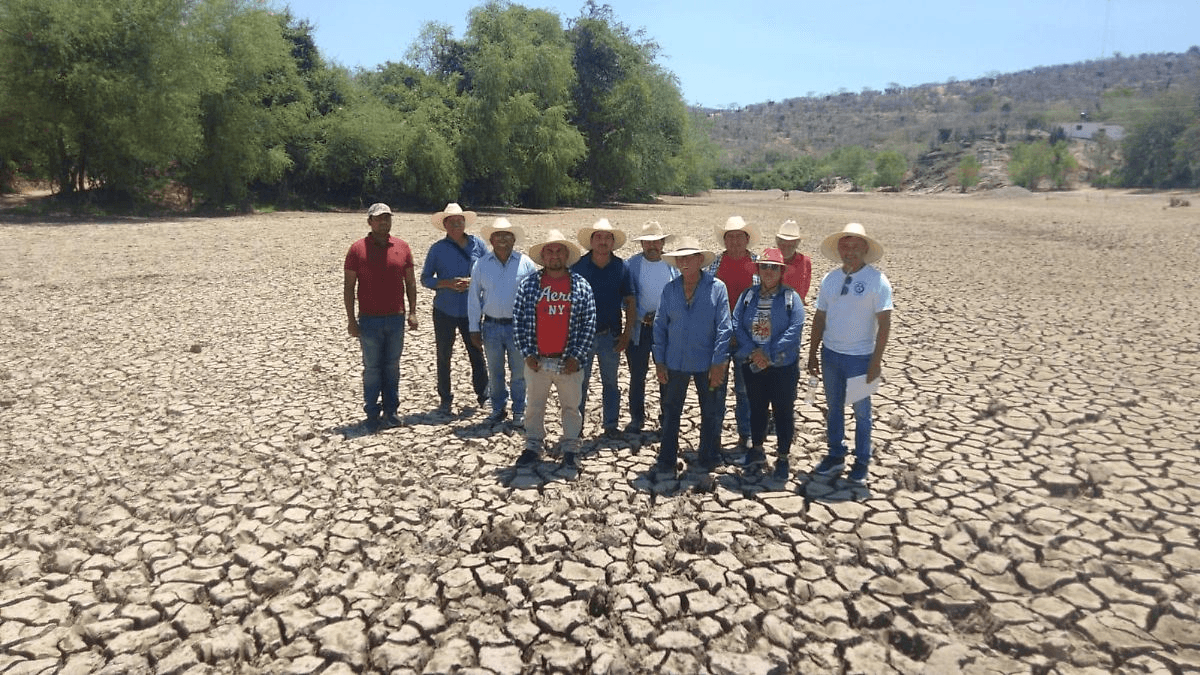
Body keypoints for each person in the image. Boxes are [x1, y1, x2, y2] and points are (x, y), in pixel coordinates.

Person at [807, 223, 893, 486]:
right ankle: (836, 454)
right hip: (831, 355)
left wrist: (876, 362)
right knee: (834, 408)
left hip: (860, 358)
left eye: (855, 246)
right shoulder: (830, 279)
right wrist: (812, 353)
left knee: (861, 412)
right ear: (839, 250)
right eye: (845, 246)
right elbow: (820, 318)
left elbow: (885, 325)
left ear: (865, 249)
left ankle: (862, 460)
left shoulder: (877, 281)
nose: (850, 251)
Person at [513, 230, 597, 469]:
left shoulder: (580, 285)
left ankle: (571, 447)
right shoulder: (529, 285)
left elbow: (589, 323)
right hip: (537, 361)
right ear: (543, 256)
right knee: (534, 407)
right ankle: (533, 446)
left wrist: (577, 357)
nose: (554, 255)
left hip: (568, 361)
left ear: (567, 255)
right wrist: (527, 353)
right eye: (549, 251)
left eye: (559, 250)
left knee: (571, 408)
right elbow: (518, 320)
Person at [653, 236, 732, 476]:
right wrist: (659, 360)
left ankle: (708, 456)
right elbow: (660, 326)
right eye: (680, 258)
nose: (685, 262)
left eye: (689, 257)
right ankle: (667, 457)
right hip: (675, 362)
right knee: (671, 411)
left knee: (710, 410)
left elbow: (724, 327)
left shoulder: (717, 288)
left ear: (700, 260)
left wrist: (719, 362)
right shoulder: (670, 289)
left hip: (707, 363)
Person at [343, 203, 419, 432]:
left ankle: (392, 411)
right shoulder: (357, 249)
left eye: (387, 218)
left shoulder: (402, 247)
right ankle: (372, 413)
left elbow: (411, 282)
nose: (383, 223)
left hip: (396, 317)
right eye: (379, 219)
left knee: (392, 366)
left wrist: (413, 311)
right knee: (373, 368)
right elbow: (349, 287)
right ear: (370, 222)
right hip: (369, 319)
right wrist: (351, 321)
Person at [732, 248, 806, 480]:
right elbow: (736, 323)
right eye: (765, 266)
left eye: (774, 267)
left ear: (782, 271)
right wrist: (754, 352)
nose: (769, 271)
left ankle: (782, 457)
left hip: (782, 366)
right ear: (758, 269)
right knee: (757, 407)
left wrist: (768, 352)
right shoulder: (748, 296)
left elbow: (795, 329)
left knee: (783, 410)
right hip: (753, 363)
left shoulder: (790, 298)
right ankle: (757, 449)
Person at [468, 218, 538, 427]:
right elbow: (474, 298)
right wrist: (474, 328)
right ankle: (498, 408)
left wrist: (532, 329)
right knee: (495, 371)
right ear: (491, 239)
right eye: (497, 235)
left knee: (519, 373)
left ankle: (519, 410)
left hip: (518, 327)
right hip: (490, 326)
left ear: (514, 239)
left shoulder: (525, 263)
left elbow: (534, 297)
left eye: (506, 235)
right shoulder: (481, 264)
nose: (502, 239)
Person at [421, 202, 489, 415]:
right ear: (445, 224)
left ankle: (483, 395)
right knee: (444, 355)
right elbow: (425, 279)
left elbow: (488, 273)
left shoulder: (478, 245)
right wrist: (447, 283)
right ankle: (445, 398)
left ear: (465, 223)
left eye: (460, 221)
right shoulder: (437, 249)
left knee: (476, 352)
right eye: (452, 221)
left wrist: (473, 282)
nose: (457, 224)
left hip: (471, 309)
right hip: (444, 310)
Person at [571, 219, 635, 437]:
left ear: (613, 242)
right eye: (598, 237)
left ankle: (610, 425)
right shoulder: (578, 266)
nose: (603, 241)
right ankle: (575, 427)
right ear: (591, 241)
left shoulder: (621, 267)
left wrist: (627, 334)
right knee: (580, 383)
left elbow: (630, 301)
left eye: (607, 237)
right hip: (582, 337)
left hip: (611, 335)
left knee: (611, 382)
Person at [709, 215, 760, 454]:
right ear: (725, 240)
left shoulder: (759, 264)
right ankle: (714, 435)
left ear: (747, 239)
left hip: (748, 338)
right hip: (719, 335)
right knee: (716, 386)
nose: (735, 241)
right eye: (730, 237)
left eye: (740, 237)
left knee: (745, 389)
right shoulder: (715, 264)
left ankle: (746, 434)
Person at [623, 221, 679, 436]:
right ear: (642, 244)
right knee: (637, 375)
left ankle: (666, 416)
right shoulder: (631, 265)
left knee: (666, 374)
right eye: (647, 242)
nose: (652, 245)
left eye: (656, 241)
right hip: (639, 329)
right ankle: (637, 418)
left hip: (666, 331)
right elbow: (624, 298)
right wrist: (638, 315)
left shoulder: (672, 265)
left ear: (663, 242)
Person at [774, 219, 813, 303]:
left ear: (797, 243)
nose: (786, 248)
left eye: (791, 245)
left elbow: (806, 285)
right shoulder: (770, 260)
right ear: (777, 242)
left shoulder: (805, 261)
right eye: (783, 243)